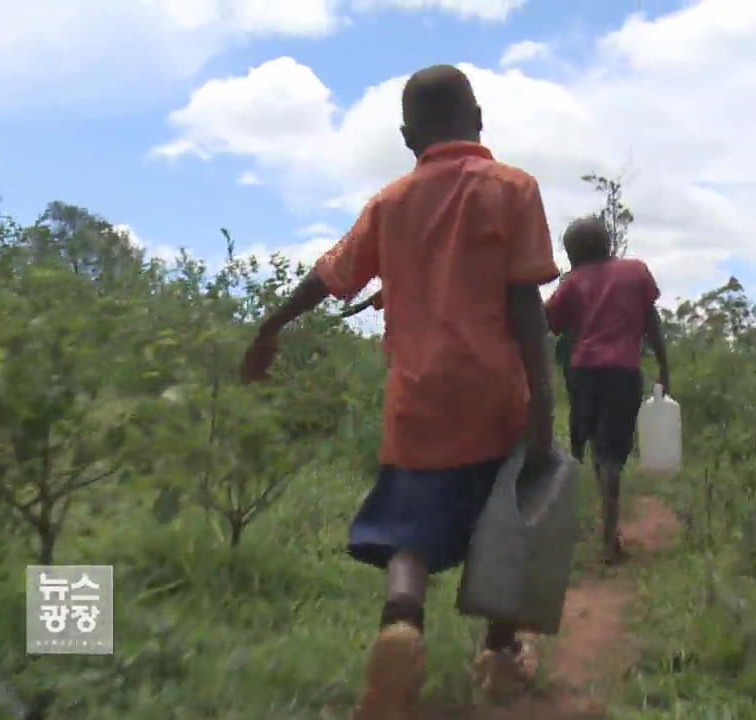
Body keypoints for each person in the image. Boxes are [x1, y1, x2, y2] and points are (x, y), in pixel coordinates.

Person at [240, 64, 560, 719]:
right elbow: (524, 302)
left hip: (416, 402)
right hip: (496, 394)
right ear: (477, 119)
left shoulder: (388, 205)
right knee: (501, 523)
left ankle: (402, 627)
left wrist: (269, 327)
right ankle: (498, 656)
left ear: (407, 135)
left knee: (407, 535)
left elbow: (329, 278)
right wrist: (545, 400)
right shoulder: (512, 189)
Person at [544, 216, 670, 565]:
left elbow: (549, 321)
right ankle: (609, 540)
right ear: (608, 243)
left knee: (595, 444)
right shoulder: (636, 273)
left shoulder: (573, 283)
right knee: (612, 451)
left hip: (584, 372)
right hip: (622, 373)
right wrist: (663, 367)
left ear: (572, 253)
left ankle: (597, 522)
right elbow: (652, 323)